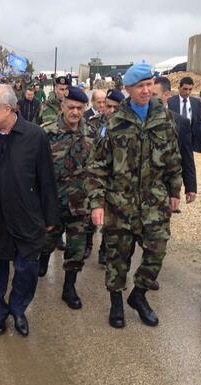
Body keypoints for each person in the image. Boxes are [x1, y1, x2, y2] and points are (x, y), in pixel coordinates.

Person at [91, 62, 182, 329]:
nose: (146, 90)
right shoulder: (113, 122)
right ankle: (116, 302)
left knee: (157, 251)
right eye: (140, 86)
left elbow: (173, 157)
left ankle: (139, 295)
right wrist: (97, 202)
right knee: (118, 256)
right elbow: (97, 167)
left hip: (155, 201)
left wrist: (175, 190)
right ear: (128, 89)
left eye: (149, 84)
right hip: (120, 203)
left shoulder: (164, 117)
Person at [0, 84, 59, 337]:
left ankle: (18, 309)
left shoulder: (34, 136)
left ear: (8, 109)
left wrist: (50, 216)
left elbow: (46, 179)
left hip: (27, 216)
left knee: (27, 269)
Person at [39, 86, 96, 310]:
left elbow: (99, 167)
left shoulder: (91, 132)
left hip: (80, 203)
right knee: (47, 241)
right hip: (53, 202)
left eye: (79, 108)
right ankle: (43, 259)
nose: (75, 112)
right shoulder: (46, 132)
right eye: (71, 107)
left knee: (76, 249)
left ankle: (69, 287)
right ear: (62, 106)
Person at [85, 89, 125, 263]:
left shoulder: (127, 127)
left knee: (111, 218)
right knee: (91, 211)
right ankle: (88, 244)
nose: (110, 110)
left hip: (116, 180)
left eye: (115, 107)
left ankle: (104, 250)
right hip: (97, 176)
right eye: (108, 106)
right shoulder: (94, 123)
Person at [153, 77, 197, 205]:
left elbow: (186, 155)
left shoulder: (180, 123)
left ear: (166, 95)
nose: (149, 98)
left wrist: (191, 187)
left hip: (165, 185)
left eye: (154, 94)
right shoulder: (140, 120)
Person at [168, 76, 201, 153]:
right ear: (179, 88)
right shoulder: (170, 101)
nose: (187, 92)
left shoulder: (196, 103)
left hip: (190, 140)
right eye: (185, 89)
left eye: (190, 89)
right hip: (175, 139)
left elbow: (200, 121)